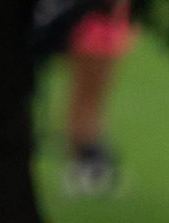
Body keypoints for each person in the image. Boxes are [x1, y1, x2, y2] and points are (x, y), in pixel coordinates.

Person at [59, 0, 135, 195]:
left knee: (93, 97)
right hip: (94, 27)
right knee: (86, 96)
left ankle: (90, 156)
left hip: (107, 25)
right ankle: (85, 158)